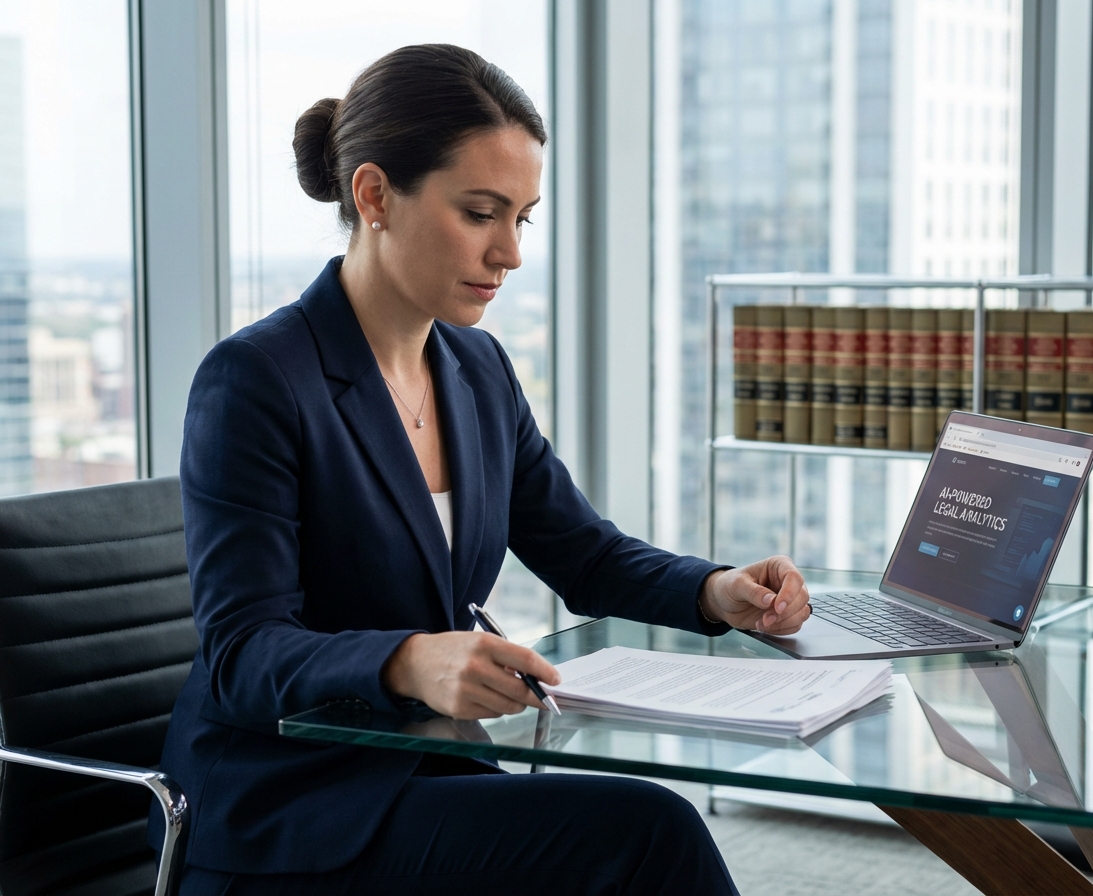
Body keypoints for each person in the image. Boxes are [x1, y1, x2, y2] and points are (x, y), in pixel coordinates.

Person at [157, 43, 812, 895]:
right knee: (647, 832)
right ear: (374, 194)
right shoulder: (257, 379)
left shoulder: (477, 370)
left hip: (426, 774)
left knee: (625, 836)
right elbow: (243, 653)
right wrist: (408, 661)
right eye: (480, 213)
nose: (509, 252)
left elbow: (586, 555)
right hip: (286, 807)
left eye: (522, 218)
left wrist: (713, 590)